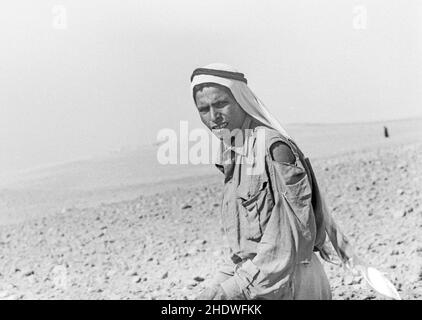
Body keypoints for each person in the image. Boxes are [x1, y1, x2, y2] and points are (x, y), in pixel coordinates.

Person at [190, 63, 357, 300]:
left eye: (220, 104)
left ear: (241, 100)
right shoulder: (234, 152)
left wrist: (232, 290)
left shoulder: (274, 148)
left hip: (291, 284)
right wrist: (219, 285)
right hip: (262, 280)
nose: (214, 117)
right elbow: (246, 249)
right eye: (204, 109)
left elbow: (287, 242)